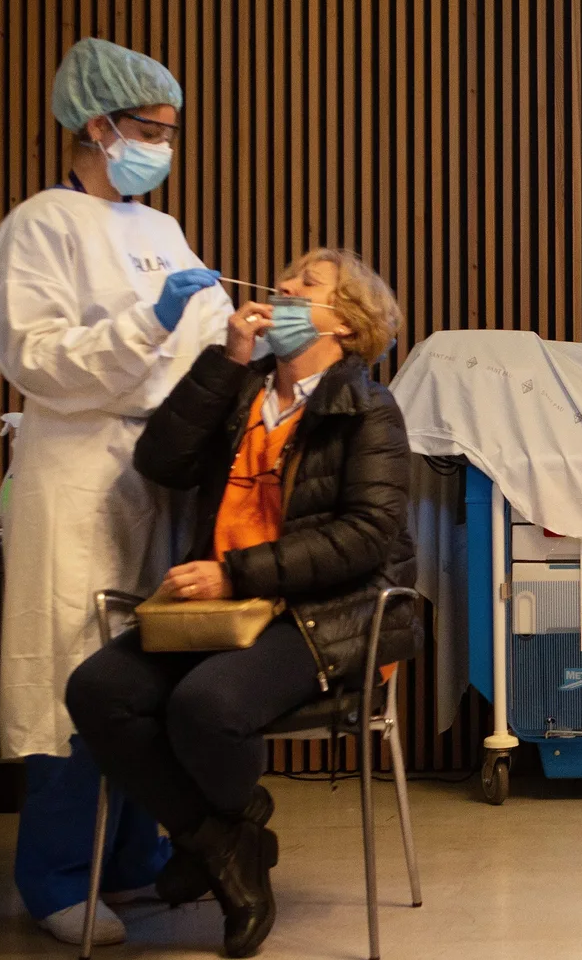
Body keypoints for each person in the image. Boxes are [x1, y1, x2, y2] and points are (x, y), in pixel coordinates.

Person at [66, 249, 422, 959]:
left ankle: (217, 845)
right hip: (220, 611)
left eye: (307, 284)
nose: (284, 287)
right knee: (97, 689)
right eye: (285, 277)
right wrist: (225, 360)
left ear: (346, 325)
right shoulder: (239, 390)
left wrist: (236, 574)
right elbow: (160, 462)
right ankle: (229, 836)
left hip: (323, 614)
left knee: (206, 705)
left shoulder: (369, 409)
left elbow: (364, 536)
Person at [0, 37, 231, 945]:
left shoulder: (161, 233)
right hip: (76, 468)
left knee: (143, 669)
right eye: (152, 130)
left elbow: (209, 339)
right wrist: (145, 322)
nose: (164, 147)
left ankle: (132, 860)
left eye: (169, 132)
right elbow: (35, 358)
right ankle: (53, 875)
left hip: (156, 468)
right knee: (70, 669)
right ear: (99, 124)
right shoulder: (39, 224)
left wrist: (251, 337)